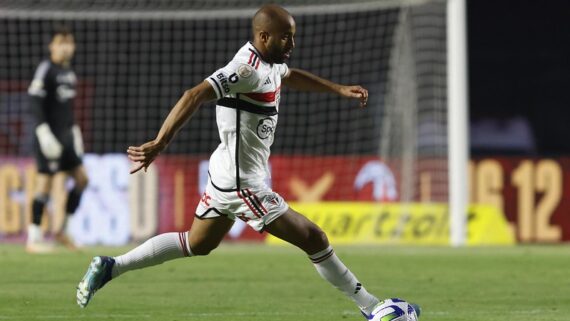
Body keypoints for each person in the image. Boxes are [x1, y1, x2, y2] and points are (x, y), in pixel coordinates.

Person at [76, 4, 420, 319]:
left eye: (294, 37)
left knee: (198, 243)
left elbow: (289, 74)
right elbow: (193, 94)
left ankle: (111, 266)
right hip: (243, 185)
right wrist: (160, 142)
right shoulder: (245, 70)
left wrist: (338, 89)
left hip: (225, 174)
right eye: (286, 37)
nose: (292, 43)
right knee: (315, 238)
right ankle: (372, 307)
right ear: (263, 36)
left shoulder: (269, 64)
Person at [26, 27, 88, 253]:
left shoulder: (69, 73)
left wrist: (75, 132)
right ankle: (33, 239)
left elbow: (67, 109)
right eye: (61, 42)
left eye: (69, 42)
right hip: (48, 137)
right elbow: (34, 100)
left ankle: (63, 231)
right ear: (52, 45)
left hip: (67, 136)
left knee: (82, 179)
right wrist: (43, 131)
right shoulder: (46, 68)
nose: (66, 46)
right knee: (44, 184)